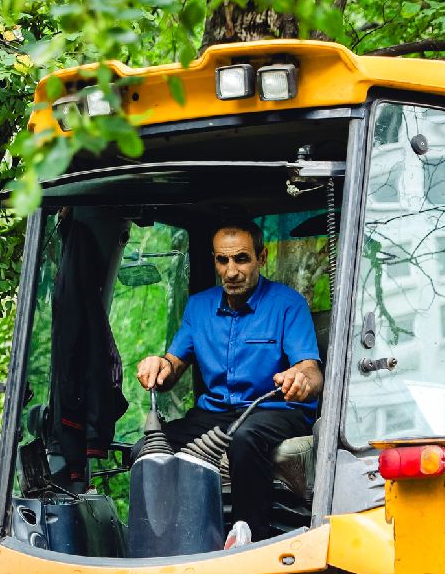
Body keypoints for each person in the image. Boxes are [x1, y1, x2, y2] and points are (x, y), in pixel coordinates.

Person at [135, 220, 322, 542]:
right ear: (215, 261)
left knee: (245, 438)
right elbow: (174, 364)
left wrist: (300, 378)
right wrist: (158, 365)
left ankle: (250, 537)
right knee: (146, 448)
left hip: (273, 409)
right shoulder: (199, 306)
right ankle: (168, 539)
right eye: (223, 260)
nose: (231, 271)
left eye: (242, 259)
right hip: (215, 412)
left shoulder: (287, 303)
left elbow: (311, 370)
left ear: (261, 257)